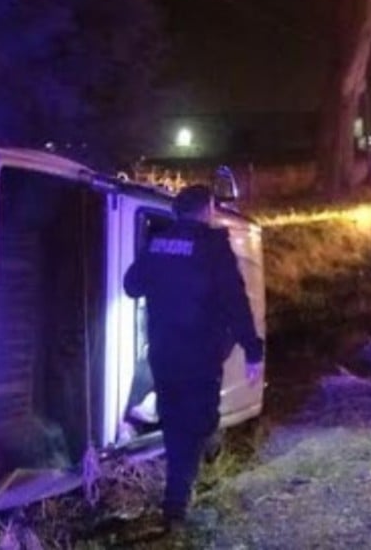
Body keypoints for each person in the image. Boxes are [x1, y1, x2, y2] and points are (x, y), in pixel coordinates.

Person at [123, 184, 264, 528]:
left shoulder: (157, 244)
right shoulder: (214, 246)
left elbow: (131, 286)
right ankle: (175, 507)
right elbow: (236, 302)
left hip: (164, 353)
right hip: (200, 354)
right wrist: (252, 350)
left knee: (177, 424)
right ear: (208, 209)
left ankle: (184, 485)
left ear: (175, 211)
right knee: (194, 425)